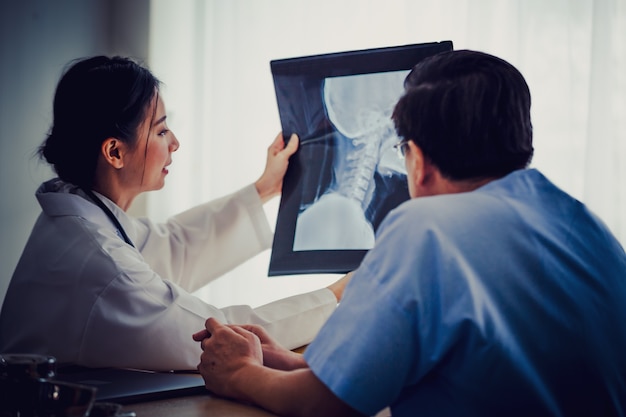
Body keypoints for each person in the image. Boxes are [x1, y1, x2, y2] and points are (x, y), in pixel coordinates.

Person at [193, 50, 626, 416]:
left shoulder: (426, 227)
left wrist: (240, 373)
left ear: (417, 159)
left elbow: (326, 405)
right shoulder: (586, 224)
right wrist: (285, 361)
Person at [0, 56, 350, 371]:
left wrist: (265, 188)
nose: (175, 142)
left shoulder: (85, 220)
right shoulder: (101, 264)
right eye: (161, 130)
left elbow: (172, 246)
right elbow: (215, 334)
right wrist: (334, 297)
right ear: (114, 152)